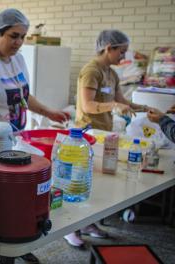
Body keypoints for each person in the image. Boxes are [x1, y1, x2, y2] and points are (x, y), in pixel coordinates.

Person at [0, 8, 68, 264]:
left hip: (14, 140)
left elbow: (22, 94)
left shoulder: (15, 57)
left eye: (23, 36)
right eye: (13, 36)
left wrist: (48, 112)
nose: (19, 42)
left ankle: (13, 244)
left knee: (14, 197)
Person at [69, 29, 151, 247]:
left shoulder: (111, 73)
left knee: (98, 183)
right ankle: (71, 228)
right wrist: (113, 106)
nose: (123, 57)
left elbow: (122, 100)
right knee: (80, 181)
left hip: (104, 135)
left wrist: (146, 108)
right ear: (108, 48)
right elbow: (87, 105)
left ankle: (87, 223)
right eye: (121, 52)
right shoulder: (91, 71)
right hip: (86, 134)